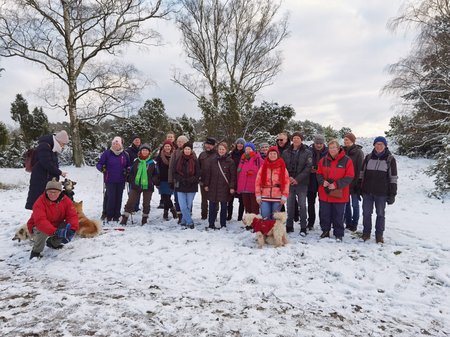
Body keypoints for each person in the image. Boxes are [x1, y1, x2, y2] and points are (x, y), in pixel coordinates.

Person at [359, 136, 398, 243]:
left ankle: (379, 235)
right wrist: (359, 188)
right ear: (374, 145)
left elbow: (393, 178)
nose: (379, 146)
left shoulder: (390, 159)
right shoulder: (368, 157)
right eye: (377, 144)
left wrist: (392, 194)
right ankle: (366, 233)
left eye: (381, 144)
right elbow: (361, 174)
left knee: (380, 214)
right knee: (366, 213)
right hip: (367, 192)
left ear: (385, 146)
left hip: (381, 193)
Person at [27, 180, 79, 259]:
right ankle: (35, 252)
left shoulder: (66, 201)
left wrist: (72, 229)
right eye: (50, 192)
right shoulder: (39, 202)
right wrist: (55, 231)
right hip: (37, 226)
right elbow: (41, 222)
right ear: (46, 191)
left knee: (66, 228)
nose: (52, 194)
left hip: (56, 224)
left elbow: (72, 216)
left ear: (60, 192)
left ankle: (53, 243)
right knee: (42, 231)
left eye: (55, 192)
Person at [316, 140, 354, 241]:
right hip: (325, 193)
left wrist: (336, 184)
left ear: (338, 148)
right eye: (330, 147)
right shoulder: (323, 160)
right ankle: (325, 231)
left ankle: (338, 233)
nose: (332, 149)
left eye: (334, 147)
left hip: (339, 193)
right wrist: (322, 181)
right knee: (325, 213)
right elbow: (318, 173)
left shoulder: (347, 160)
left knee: (338, 214)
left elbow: (349, 176)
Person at [25, 130, 70, 210]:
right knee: (39, 204)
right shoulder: (44, 146)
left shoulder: (52, 147)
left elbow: (51, 164)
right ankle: (37, 221)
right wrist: (59, 172)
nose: (63, 147)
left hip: (47, 180)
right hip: (40, 180)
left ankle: (43, 220)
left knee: (47, 205)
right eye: (63, 144)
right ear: (58, 141)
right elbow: (47, 164)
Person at [281, 131, 312, 235]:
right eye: (294, 138)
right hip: (289, 182)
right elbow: (282, 166)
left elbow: (308, 168)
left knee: (302, 206)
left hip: (302, 183)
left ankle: (303, 226)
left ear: (301, 139)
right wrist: (288, 177)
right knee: (289, 205)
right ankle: (289, 226)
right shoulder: (285, 152)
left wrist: (297, 179)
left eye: (298, 138)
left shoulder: (307, 152)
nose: (296, 139)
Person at [120, 144, 159, 225]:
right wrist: (130, 179)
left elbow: (156, 174)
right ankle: (125, 218)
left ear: (149, 152)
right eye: (143, 150)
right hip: (136, 185)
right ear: (140, 151)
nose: (145, 152)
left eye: (146, 150)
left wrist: (152, 181)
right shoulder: (136, 161)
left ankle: (144, 219)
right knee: (130, 201)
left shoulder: (152, 163)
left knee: (146, 203)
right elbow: (131, 173)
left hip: (148, 186)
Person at [96, 136, 131, 222]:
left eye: (117, 144)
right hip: (109, 179)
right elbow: (99, 164)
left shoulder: (125, 154)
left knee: (118, 197)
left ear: (121, 145)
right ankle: (108, 214)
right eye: (114, 144)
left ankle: (116, 214)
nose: (115, 145)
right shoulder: (107, 153)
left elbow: (129, 165)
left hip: (121, 179)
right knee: (111, 197)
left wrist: (128, 169)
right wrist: (102, 168)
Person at [203, 142, 236, 229]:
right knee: (212, 206)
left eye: (223, 149)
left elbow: (233, 176)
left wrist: (232, 187)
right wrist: (206, 184)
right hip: (213, 186)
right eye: (220, 149)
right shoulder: (213, 160)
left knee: (224, 207)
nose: (221, 151)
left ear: (226, 150)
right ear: (217, 150)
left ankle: (223, 224)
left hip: (224, 187)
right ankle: (211, 223)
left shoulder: (230, 162)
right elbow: (208, 173)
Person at [255, 146, 289, 219]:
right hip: (264, 196)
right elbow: (258, 182)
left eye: (274, 154)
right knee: (265, 216)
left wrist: (284, 196)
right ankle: (266, 230)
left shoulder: (282, 167)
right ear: (268, 155)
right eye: (270, 154)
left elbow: (286, 182)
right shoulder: (263, 167)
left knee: (275, 218)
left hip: (278, 196)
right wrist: (258, 195)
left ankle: (274, 230)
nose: (272, 155)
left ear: (277, 155)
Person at [168, 135, 195, 223]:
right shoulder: (175, 153)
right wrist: (171, 180)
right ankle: (180, 216)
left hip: (189, 181)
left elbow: (196, 168)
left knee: (188, 200)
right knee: (178, 199)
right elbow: (171, 168)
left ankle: (187, 216)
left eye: (181, 142)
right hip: (177, 180)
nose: (179, 143)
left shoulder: (192, 153)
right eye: (178, 141)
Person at [173, 142, 200, 229]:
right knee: (183, 206)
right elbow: (174, 173)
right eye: (185, 149)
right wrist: (181, 179)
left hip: (191, 186)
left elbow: (198, 173)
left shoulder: (195, 160)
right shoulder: (178, 159)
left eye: (189, 149)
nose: (187, 151)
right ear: (183, 150)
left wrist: (193, 179)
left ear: (191, 150)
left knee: (188, 205)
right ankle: (190, 221)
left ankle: (184, 221)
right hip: (181, 185)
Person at [342, 133, 365, 231]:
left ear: (352, 140)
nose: (345, 141)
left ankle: (354, 223)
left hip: (355, 182)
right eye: (344, 139)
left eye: (347, 139)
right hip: (345, 182)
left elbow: (360, 168)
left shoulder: (358, 152)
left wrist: (358, 183)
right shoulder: (342, 151)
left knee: (355, 204)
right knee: (346, 204)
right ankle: (348, 222)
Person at [307, 134, 328, 230]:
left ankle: (323, 222)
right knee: (311, 203)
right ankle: (310, 222)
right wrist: (309, 168)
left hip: (323, 180)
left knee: (323, 203)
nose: (319, 145)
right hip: (311, 180)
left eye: (320, 143)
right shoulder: (309, 151)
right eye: (317, 143)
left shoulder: (328, 152)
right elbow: (305, 163)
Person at [237, 142, 262, 215]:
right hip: (244, 187)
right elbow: (239, 172)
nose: (247, 150)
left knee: (254, 206)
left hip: (254, 187)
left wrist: (253, 172)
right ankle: (249, 223)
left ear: (253, 150)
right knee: (247, 206)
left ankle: (255, 222)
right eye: (246, 149)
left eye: (249, 149)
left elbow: (262, 171)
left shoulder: (257, 158)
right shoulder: (243, 158)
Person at [156, 140, 178, 221]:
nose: (167, 147)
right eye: (166, 146)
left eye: (169, 146)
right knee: (164, 196)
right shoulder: (159, 156)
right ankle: (171, 210)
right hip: (162, 179)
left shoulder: (174, 155)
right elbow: (156, 168)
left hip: (170, 179)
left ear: (171, 147)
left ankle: (169, 211)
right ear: (163, 147)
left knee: (167, 196)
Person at [198, 137, 217, 220]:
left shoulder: (217, 154)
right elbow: (197, 167)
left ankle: (214, 215)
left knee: (214, 200)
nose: (208, 146)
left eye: (210, 144)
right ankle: (204, 215)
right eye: (207, 144)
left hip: (214, 182)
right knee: (204, 200)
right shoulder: (202, 154)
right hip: (203, 181)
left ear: (213, 146)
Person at [227, 138, 246, 221]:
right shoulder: (231, 154)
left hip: (242, 178)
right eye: (238, 143)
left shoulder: (246, 154)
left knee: (241, 200)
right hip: (232, 177)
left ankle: (239, 217)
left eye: (242, 144)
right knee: (230, 199)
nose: (240, 145)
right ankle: (229, 216)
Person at [125, 135, 142, 212]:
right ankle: (131, 206)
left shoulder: (142, 149)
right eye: (135, 140)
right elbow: (127, 161)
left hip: (141, 172)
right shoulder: (128, 150)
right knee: (132, 190)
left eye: (138, 140)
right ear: (133, 141)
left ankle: (136, 206)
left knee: (138, 190)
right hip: (132, 173)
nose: (137, 141)